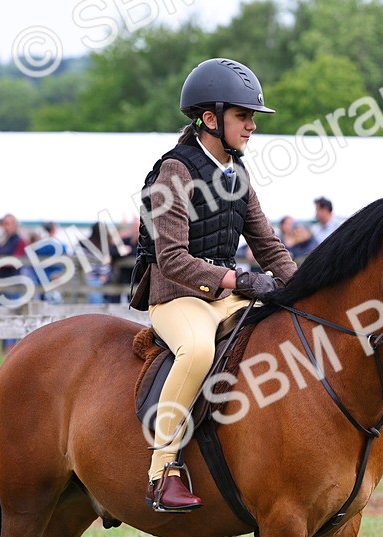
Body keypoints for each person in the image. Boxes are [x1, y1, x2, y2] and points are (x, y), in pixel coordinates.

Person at [130, 57, 298, 512]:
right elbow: (172, 259)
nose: (251, 127)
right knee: (199, 351)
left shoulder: (237, 175)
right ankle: (162, 470)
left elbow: (268, 246)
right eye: (243, 117)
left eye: (252, 118)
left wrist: (304, 287)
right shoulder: (175, 172)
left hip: (225, 297)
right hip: (176, 297)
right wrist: (237, 278)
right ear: (210, 119)